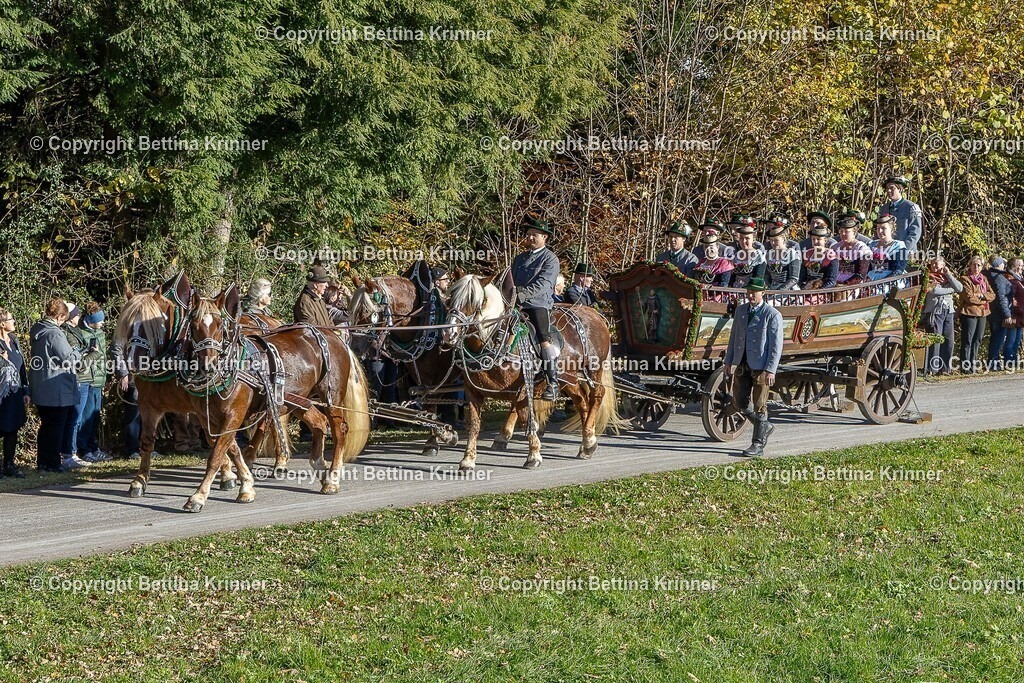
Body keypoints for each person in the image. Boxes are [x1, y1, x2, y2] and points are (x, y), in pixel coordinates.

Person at [724, 277, 783, 458]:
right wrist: (728, 361)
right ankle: (765, 426)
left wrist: (771, 369)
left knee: (759, 405)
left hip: (761, 366)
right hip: (742, 362)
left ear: (762, 294)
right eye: (748, 292)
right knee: (740, 401)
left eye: (753, 293)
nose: (750, 295)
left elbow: (776, 345)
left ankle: (757, 444)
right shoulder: (741, 311)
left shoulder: (772, 314)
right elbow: (734, 338)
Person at [29, 299, 86, 471]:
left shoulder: (37, 330)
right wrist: (77, 352)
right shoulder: (55, 333)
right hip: (57, 388)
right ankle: (53, 463)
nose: (63, 322)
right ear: (60, 315)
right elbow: (68, 359)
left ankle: (43, 462)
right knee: (56, 427)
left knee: (46, 426)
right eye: (63, 318)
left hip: (41, 387)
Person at [511, 216, 561, 401]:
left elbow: (544, 283)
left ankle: (552, 383)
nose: (531, 238)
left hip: (537, 304)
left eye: (535, 235)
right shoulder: (519, 258)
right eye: (529, 235)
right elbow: (510, 280)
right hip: (514, 304)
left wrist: (522, 295)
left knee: (543, 340)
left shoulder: (550, 259)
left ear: (545, 237)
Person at [74, 303, 110, 462]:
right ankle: (84, 449)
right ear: (91, 319)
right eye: (100, 320)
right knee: (85, 417)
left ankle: (93, 447)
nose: (103, 323)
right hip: (88, 380)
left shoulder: (101, 333)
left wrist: (107, 377)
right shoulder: (80, 333)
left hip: (100, 380)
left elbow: (104, 357)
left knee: (95, 417)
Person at [0, 307, 29, 477]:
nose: (14, 322)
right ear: (2, 324)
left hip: (16, 391)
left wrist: (26, 390)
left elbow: (22, 367)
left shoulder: (13, 340)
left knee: (13, 428)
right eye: (11, 319)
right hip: (2, 393)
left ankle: (9, 464)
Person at [922, 257, 963, 376]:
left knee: (949, 340)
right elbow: (934, 291)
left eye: (937, 264)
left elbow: (959, 288)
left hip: (948, 311)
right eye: (933, 264)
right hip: (935, 311)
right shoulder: (929, 276)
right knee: (935, 340)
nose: (935, 266)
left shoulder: (947, 277)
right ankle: (932, 368)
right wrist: (951, 290)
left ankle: (945, 368)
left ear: (943, 265)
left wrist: (948, 274)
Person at [957, 255, 995, 373]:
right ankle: (965, 366)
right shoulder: (965, 279)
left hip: (983, 313)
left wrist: (982, 296)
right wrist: (984, 298)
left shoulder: (983, 279)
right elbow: (969, 298)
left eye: (979, 265)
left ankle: (973, 365)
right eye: (974, 264)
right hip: (969, 313)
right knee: (967, 340)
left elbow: (992, 295)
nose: (976, 267)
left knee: (978, 339)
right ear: (970, 265)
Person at [877, 175, 922, 255]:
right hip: (885, 252)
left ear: (900, 189)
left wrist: (903, 250)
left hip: (906, 253)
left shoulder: (911, 207)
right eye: (887, 188)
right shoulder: (883, 209)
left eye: (892, 188)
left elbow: (915, 233)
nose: (889, 191)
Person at [987, 256, 1015, 370]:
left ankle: (994, 362)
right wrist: (1007, 314)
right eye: (1002, 263)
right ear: (998, 265)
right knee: (997, 338)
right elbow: (1001, 297)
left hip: (993, 312)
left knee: (996, 338)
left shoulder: (989, 275)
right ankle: (993, 363)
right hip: (998, 314)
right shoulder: (999, 278)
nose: (1004, 264)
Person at [833, 213, 873, 285]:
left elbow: (861, 275)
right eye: (841, 231)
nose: (843, 234)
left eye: (846, 232)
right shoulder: (835, 247)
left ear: (854, 232)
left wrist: (845, 284)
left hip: (853, 284)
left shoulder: (861, 248)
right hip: (834, 282)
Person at [762, 219, 801, 291]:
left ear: (783, 238)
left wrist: (779, 291)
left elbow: (794, 279)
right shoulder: (769, 254)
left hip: (789, 292)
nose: (773, 243)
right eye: (771, 240)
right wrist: (769, 288)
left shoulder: (791, 254)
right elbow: (766, 275)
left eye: (776, 240)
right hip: (772, 289)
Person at [867, 214, 908, 280]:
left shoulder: (898, 246)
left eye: (883, 228)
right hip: (871, 278)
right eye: (878, 228)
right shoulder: (872, 245)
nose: (880, 231)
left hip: (891, 280)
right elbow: (865, 266)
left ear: (891, 229)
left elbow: (898, 271)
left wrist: (882, 282)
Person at [729, 220, 767, 289]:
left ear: (753, 239)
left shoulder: (758, 255)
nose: (743, 241)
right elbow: (732, 277)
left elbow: (758, 278)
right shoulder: (737, 255)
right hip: (735, 291)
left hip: (750, 291)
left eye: (747, 238)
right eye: (741, 238)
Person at [799, 224, 839, 289]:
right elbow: (802, 277)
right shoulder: (807, 254)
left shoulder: (831, 256)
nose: (815, 242)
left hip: (823, 290)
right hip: (807, 288)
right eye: (813, 239)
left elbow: (831, 281)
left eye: (818, 239)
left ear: (825, 240)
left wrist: (819, 291)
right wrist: (802, 287)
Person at [1006, 258, 1024, 364]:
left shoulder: (1020, 279)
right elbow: (1011, 298)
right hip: (1014, 314)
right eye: (1021, 265)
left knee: (1017, 340)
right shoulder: (1011, 279)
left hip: (1021, 315)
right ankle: (1009, 361)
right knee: (1011, 340)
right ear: (1015, 266)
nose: (1022, 268)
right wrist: (1019, 309)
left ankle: (1013, 360)